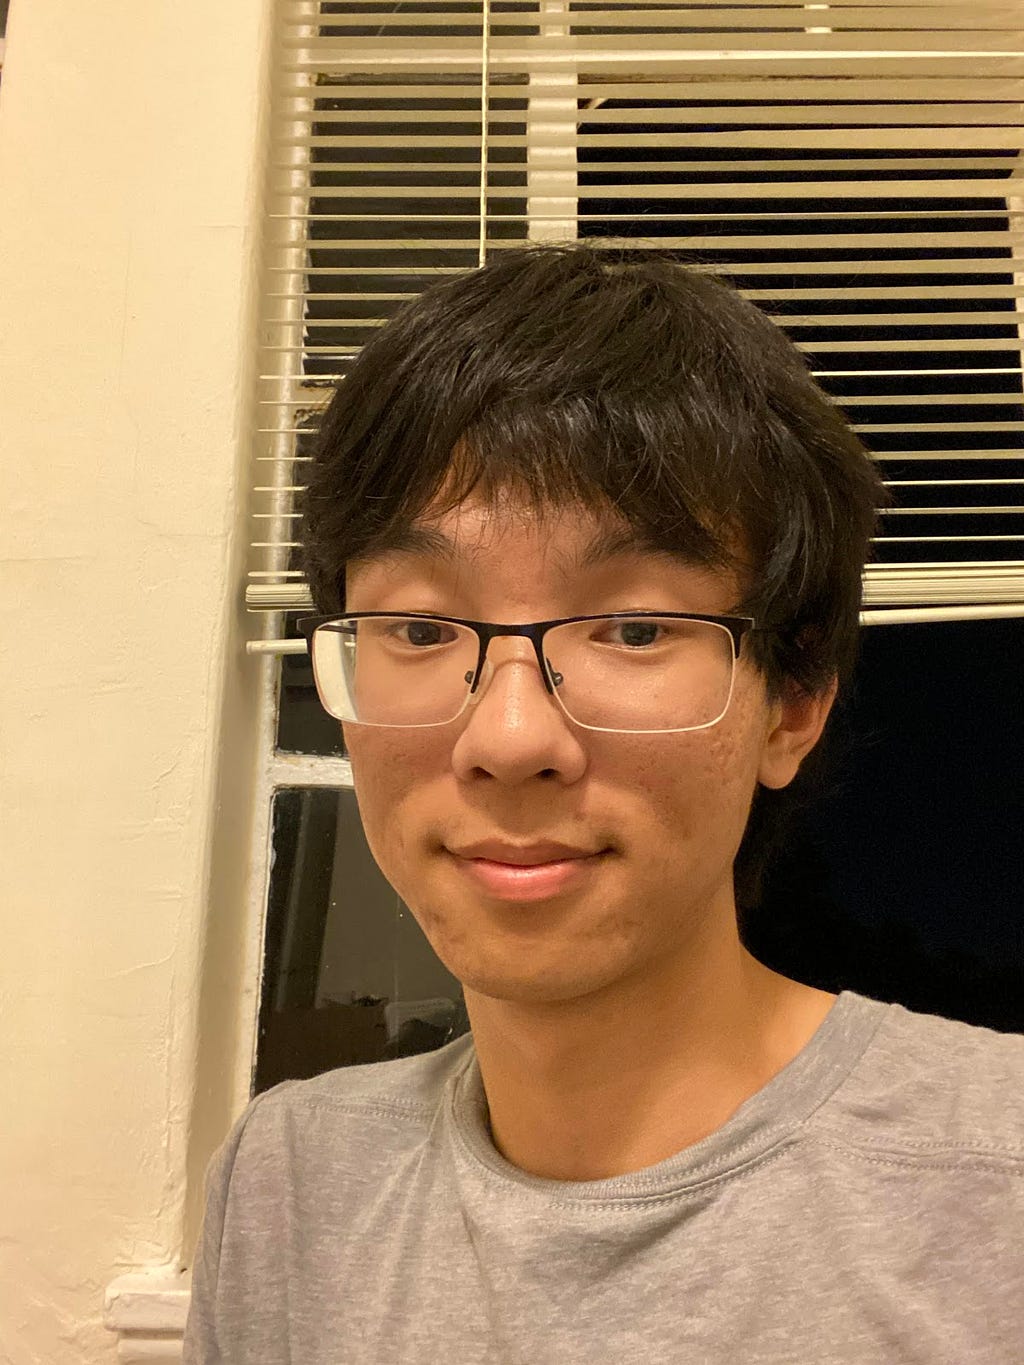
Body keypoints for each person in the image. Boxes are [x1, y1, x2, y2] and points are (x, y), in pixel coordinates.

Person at [183, 245, 1024, 1363]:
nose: (510, 739)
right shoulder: (292, 1177)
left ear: (794, 701)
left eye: (633, 628)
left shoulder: (991, 1182)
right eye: (423, 630)